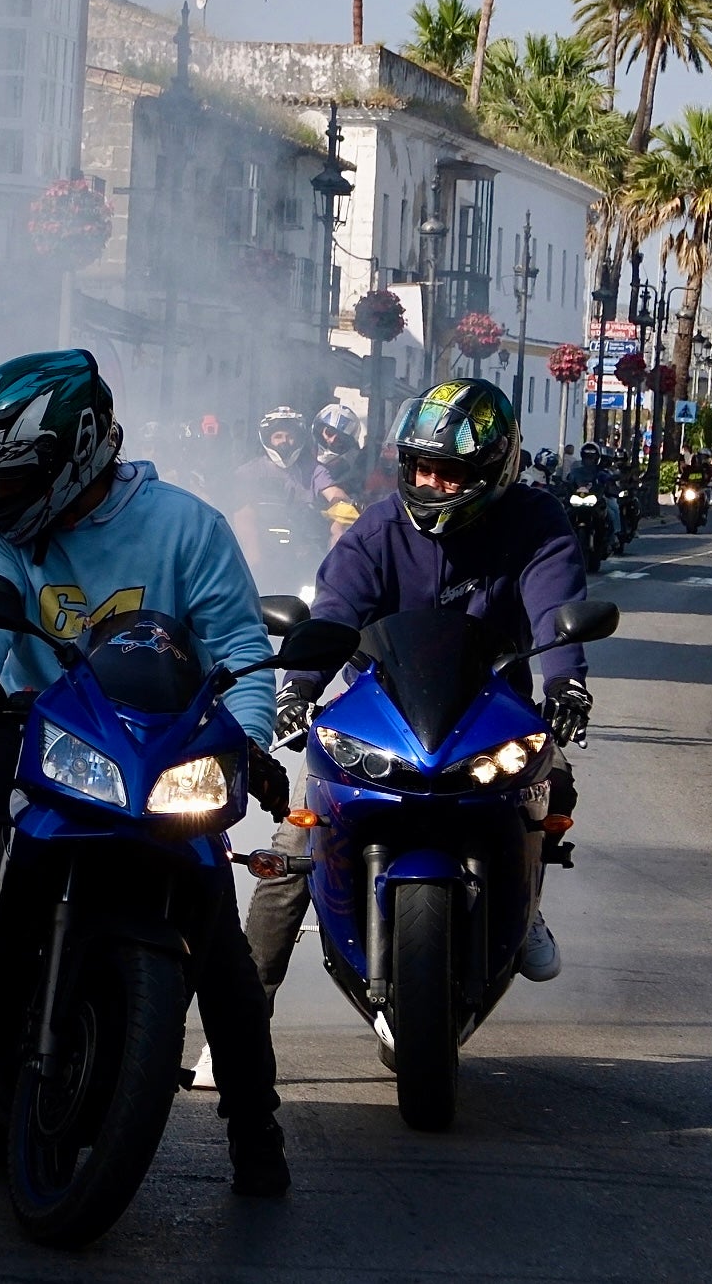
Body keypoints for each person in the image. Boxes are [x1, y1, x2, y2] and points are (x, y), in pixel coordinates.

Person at [0, 348, 292, 1198]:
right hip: (37, 723)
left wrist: (249, 743)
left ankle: (255, 1128)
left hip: (161, 749)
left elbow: (240, 649)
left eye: (11, 476)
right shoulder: (7, 529)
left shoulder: (189, 526)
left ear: (73, 456)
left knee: (219, 939)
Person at [253, 380, 590, 997]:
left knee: (554, 781)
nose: (431, 484)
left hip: (492, 710)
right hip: (376, 711)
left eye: (449, 473)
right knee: (295, 845)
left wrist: (567, 684)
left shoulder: (536, 522)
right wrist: (297, 688)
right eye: (421, 468)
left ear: (495, 468)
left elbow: (555, 606)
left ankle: (526, 899)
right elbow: (335, 611)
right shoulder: (376, 529)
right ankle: (245, 1009)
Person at [230, 406, 356, 584]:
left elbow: (334, 492)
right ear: (268, 439)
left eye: (290, 437)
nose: (285, 442)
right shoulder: (249, 471)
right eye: (278, 436)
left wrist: (341, 509)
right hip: (260, 554)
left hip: (304, 551)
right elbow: (238, 508)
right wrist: (254, 559)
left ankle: (334, 583)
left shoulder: (313, 470)